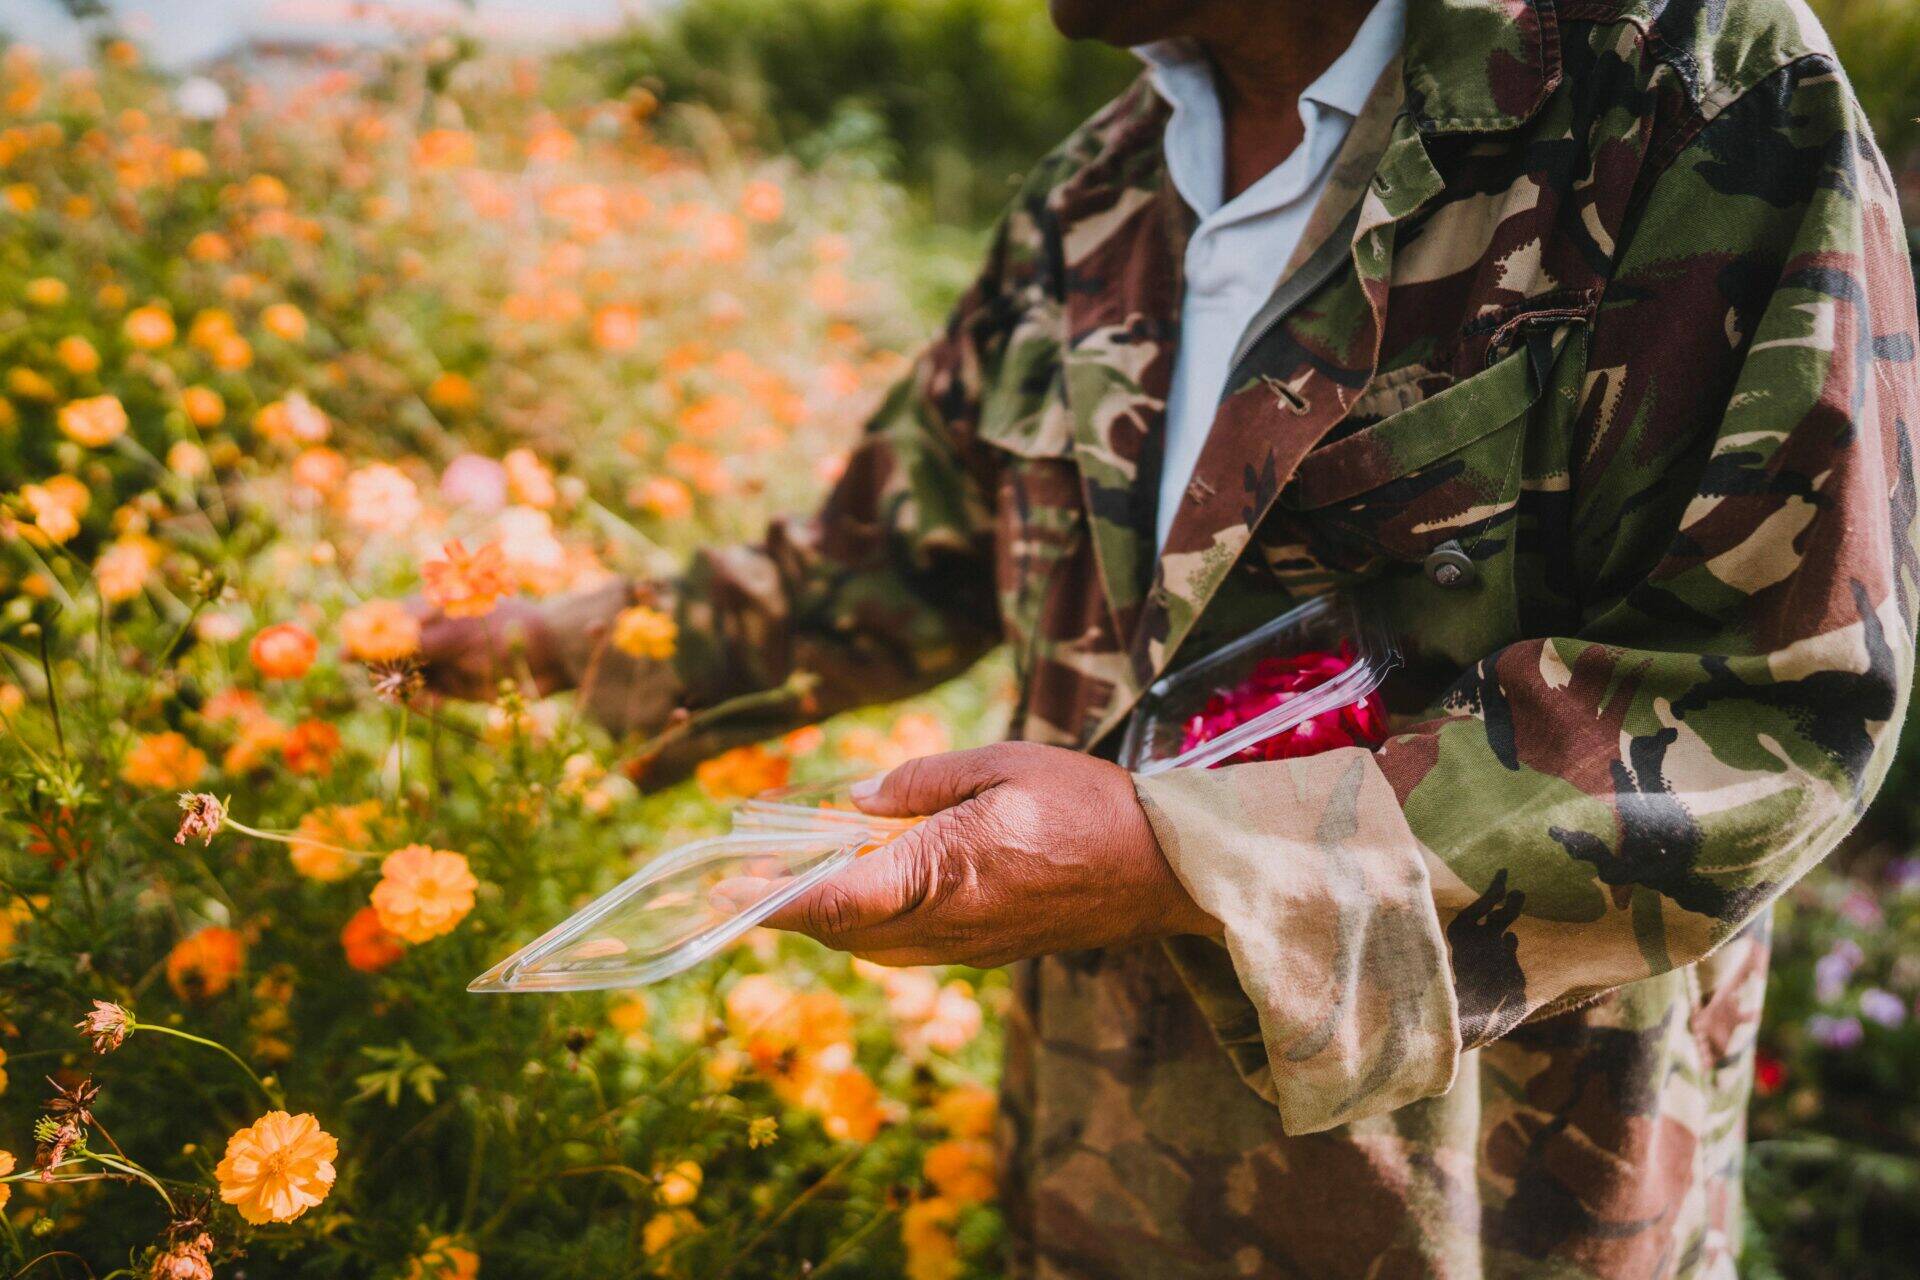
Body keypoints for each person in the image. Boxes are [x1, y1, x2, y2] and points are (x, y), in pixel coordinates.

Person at [421, 0, 1920, 1273]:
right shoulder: (1099, 190)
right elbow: (882, 561)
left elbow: (1772, 704)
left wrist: (1174, 859)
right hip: (1095, 1175)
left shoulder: (1681, 91)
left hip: (1482, 1209)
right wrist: (537, 655)